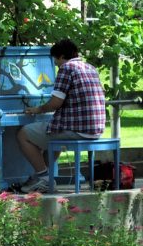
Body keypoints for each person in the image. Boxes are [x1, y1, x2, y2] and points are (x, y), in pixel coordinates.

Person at [16, 38, 107, 193]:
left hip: (78, 129)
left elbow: (55, 103)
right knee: (53, 130)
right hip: (95, 128)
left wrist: (38, 109)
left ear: (61, 56)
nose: (56, 64)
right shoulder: (90, 67)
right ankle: (43, 176)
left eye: (55, 60)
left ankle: (43, 177)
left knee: (23, 134)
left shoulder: (67, 68)